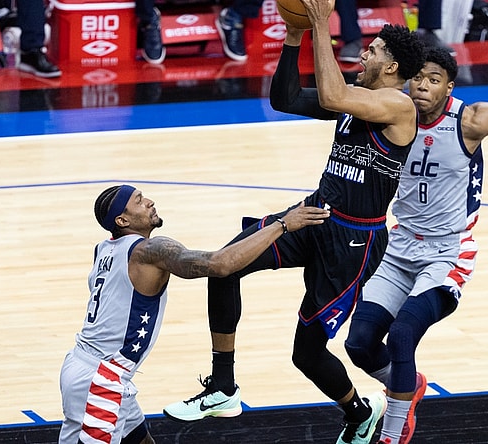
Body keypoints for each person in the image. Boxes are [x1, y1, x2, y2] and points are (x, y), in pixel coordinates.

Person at [163, 4, 426, 442]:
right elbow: (285, 99)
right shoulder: (356, 98)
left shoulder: (398, 106)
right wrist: (293, 35)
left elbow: (332, 96)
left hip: (353, 242)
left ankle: (359, 411)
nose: (363, 55)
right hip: (312, 216)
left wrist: (322, 22)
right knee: (224, 264)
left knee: (305, 354)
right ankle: (223, 387)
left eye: (373, 51)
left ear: (392, 66)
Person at [342, 46, 488, 444]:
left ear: (448, 87)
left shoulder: (470, 120)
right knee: (359, 344)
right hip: (397, 248)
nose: (423, 86)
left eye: (434, 80)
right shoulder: (393, 113)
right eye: (419, 78)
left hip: (447, 252)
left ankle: (392, 434)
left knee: (401, 336)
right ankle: (408, 386)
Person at [58, 184, 329, 444]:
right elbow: (219, 265)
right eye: (139, 201)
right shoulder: (149, 251)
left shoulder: (103, 249)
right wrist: (282, 226)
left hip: (82, 366)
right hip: (102, 380)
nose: (149, 202)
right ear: (122, 221)